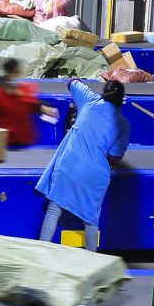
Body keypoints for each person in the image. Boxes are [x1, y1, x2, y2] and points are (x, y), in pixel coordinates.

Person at [36, 79, 130, 251]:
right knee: (91, 221)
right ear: (122, 99)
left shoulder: (89, 99)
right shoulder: (124, 124)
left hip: (69, 165)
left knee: (54, 210)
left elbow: (72, 82)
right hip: (95, 175)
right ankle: (91, 263)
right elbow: (115, 156)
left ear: (104, 91)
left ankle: (41, 253)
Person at [0, 58, 59, 148]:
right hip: (5, 144)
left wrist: (44, 108)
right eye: (15, 73)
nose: (16, 76)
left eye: (18, 73)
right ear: (8, 74)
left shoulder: (28, 90)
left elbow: (33, 105)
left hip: (25, 143)